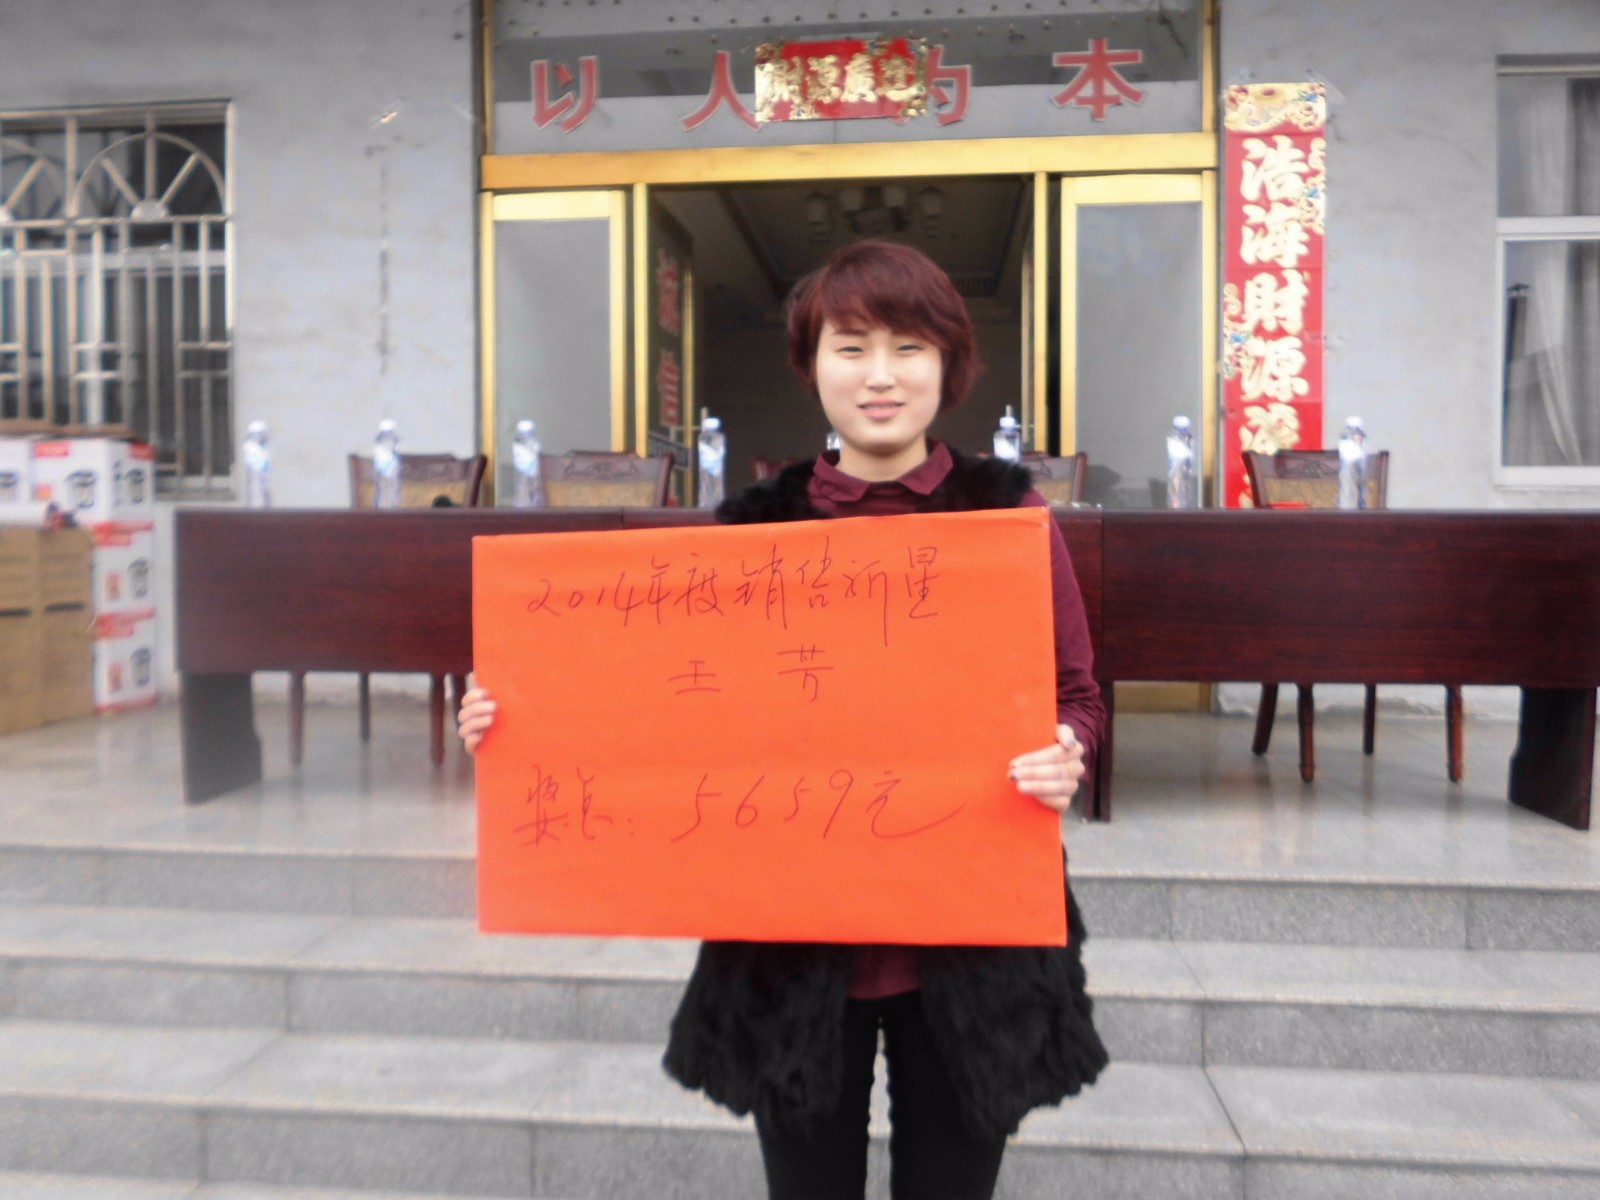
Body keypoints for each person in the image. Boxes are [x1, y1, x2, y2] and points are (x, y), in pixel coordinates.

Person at [458, 239, 1108, 1200]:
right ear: (812, 365)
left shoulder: (1008, 521)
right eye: (851, 347)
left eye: (908, 348)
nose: (880, 376)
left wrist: (1067, 750)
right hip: (789, 942)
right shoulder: (756, 530)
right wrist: (520, 718)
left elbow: (1078, 696)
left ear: (949, 366)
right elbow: (670, 708)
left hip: (973, 942)